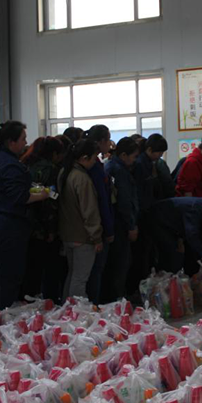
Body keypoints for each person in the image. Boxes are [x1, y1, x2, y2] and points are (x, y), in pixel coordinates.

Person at [0, 122, 50, 313]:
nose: (25, 143)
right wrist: (42, 195)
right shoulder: (10, 164)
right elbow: (19, 197)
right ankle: (4, 318)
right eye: (22, 139)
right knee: (9, 278)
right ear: (11, 142)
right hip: (8, 228)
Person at [22, 136, 67, 301]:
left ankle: (29, 302)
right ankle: (50, 303)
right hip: (44, 227)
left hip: (27, 224)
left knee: (32, 269)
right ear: (54, 154)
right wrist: (51, 229)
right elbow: (51, 201)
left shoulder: (25, 166)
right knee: (50, 269)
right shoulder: (51, 170)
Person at [58, 139, 104, 299]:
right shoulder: (82, 178)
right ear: (84, 158)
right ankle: (76, 311)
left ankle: (66, 308)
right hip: (82, 236)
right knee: (80, 279)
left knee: (72, 275)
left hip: (67, 234)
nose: (95, 162)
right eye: (93, 158)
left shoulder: (64, 172)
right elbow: (89, 211)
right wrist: (97, 237)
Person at [129, 134, 170, 294]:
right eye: (159, 152)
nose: (160, 156)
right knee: (142, 253)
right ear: (150, 149)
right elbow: (140, 192)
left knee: (148, 251)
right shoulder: (140, 164)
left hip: (148, 211)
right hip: (142, 214)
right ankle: (139, 287)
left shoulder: (148, 163)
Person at [152, 193, 202, 275]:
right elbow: (192, 236)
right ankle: (164, 278)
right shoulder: (195, 208)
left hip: (170, 225)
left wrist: (180, 240)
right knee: (171, 255)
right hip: (158, 221)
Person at [104, 137, 140, 301]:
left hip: (115, 222)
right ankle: (116, 300)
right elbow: (124, 201)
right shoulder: (119, 171)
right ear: (124, 155)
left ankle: (114, 298)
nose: (135, 160)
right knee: (120, 263)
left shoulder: (111, 166)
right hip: (120, 224)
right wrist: (131, 226)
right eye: (133, 156)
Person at [83, 125, 115, 302]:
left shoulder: (95, 164)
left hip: (94, 225)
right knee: (94, 271)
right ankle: (93, 305)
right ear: (102, 141)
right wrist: (108, 230)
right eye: (108, 140)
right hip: (97, 226)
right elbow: (102, 200)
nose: (110, 144)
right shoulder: (94, 167)